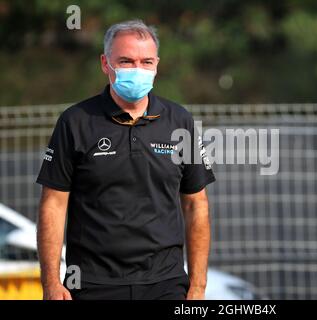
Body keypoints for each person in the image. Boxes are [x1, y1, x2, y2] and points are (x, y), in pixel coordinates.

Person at [36, 19, 215, 300]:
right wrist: (50, 283)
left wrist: (198, 286)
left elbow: (196, 205)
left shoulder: (180, 120)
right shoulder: (75, 122)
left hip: (165, 283)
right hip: (91, 283)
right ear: (106, 63)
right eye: (126, 61)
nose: (138, 70)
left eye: (146, 62)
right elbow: (53, 205)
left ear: (157, 65)